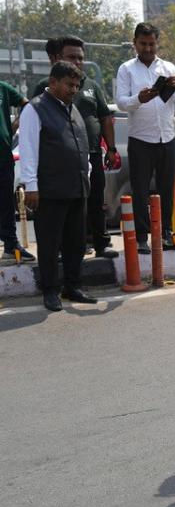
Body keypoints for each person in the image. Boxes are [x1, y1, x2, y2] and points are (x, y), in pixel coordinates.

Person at [33, 36, 119, 259]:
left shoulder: (91, 86)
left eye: (81, 58)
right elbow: (34, 122)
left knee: (96, 201)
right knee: (66, 207)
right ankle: (68, 248)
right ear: (58, 59)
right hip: (59, 162)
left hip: (91, 155)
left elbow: (105, 117)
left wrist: (111, 148)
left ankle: (101, 243)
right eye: (72, 57)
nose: (77, 62)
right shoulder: (44, 87)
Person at [20, 62, 94, 311]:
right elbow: (29, 148)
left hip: (77, 186)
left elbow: (80, 146)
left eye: (76, 85)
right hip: (50, 188)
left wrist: (88, 175)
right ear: (53, 83)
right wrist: (31, 185)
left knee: (76, 241)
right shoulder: (35, 109)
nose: (74, 90)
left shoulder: (72, 109)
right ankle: (50, 290)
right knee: (50, 243)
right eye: (69, 85)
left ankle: (73, 286)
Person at [115, 22, 175, 254]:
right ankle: (141, 238)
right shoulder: (126, 69)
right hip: (140, 139)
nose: (148, 48)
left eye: (151, 44)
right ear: (135, 43)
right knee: (140, 190)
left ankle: (166, 232)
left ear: (157, 43)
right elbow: (121, 102)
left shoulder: (168, 67)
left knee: (167, 189)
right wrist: (139, 98)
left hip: (167, 137)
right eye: (143, 44)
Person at [0, 72, 32, 261]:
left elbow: (26, 104)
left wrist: (13, 126)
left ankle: (11, 247)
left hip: (3, 156)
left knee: (5, 203)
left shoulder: (3, 88)